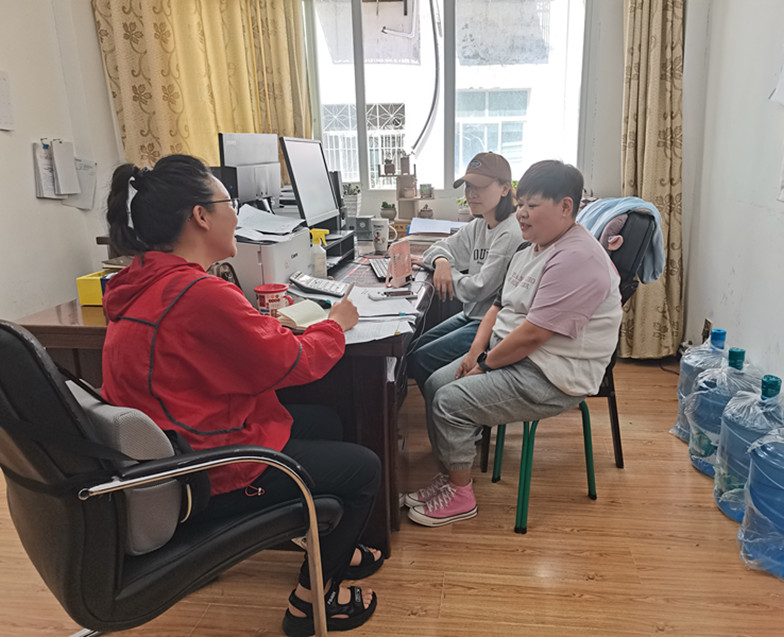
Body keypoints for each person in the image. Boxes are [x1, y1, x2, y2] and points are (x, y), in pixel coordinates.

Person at [99, 154, 380, 635]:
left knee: (325, 421)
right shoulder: (198, 293)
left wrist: (267, 329)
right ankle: (309, 605)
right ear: (200, 216)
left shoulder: (142, 280)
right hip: (202, 474)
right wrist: (335, 325)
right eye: (229, 203)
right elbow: (290, 362)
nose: (238, 215)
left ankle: (326, 544)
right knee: (363, 469)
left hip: (169, 454)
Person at [405, 160, 623, 527]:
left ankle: (461, 497)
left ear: (565, 206)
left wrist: (484, 364)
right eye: (521, 204)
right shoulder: (532, 248)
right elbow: (497, 306)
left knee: (449, 400)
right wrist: (475, 351)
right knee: (435, 381)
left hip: (552, 374)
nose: (521, 213)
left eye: (532, 205)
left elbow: (535, 334)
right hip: (516, 355)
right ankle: (452, 476)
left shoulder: (577, 258)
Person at [407, 152, 524, 390]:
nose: (471, 194)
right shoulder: (479, 225)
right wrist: (441, 261)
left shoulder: (510, 232)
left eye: (480, 186)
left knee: (420, 360)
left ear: (504, 189)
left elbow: (478, 289)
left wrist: (447, 271)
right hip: (471, 314)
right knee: (413, 348)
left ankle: (450, 402)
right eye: (468, 186)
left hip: (492, 325)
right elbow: (438, 248)